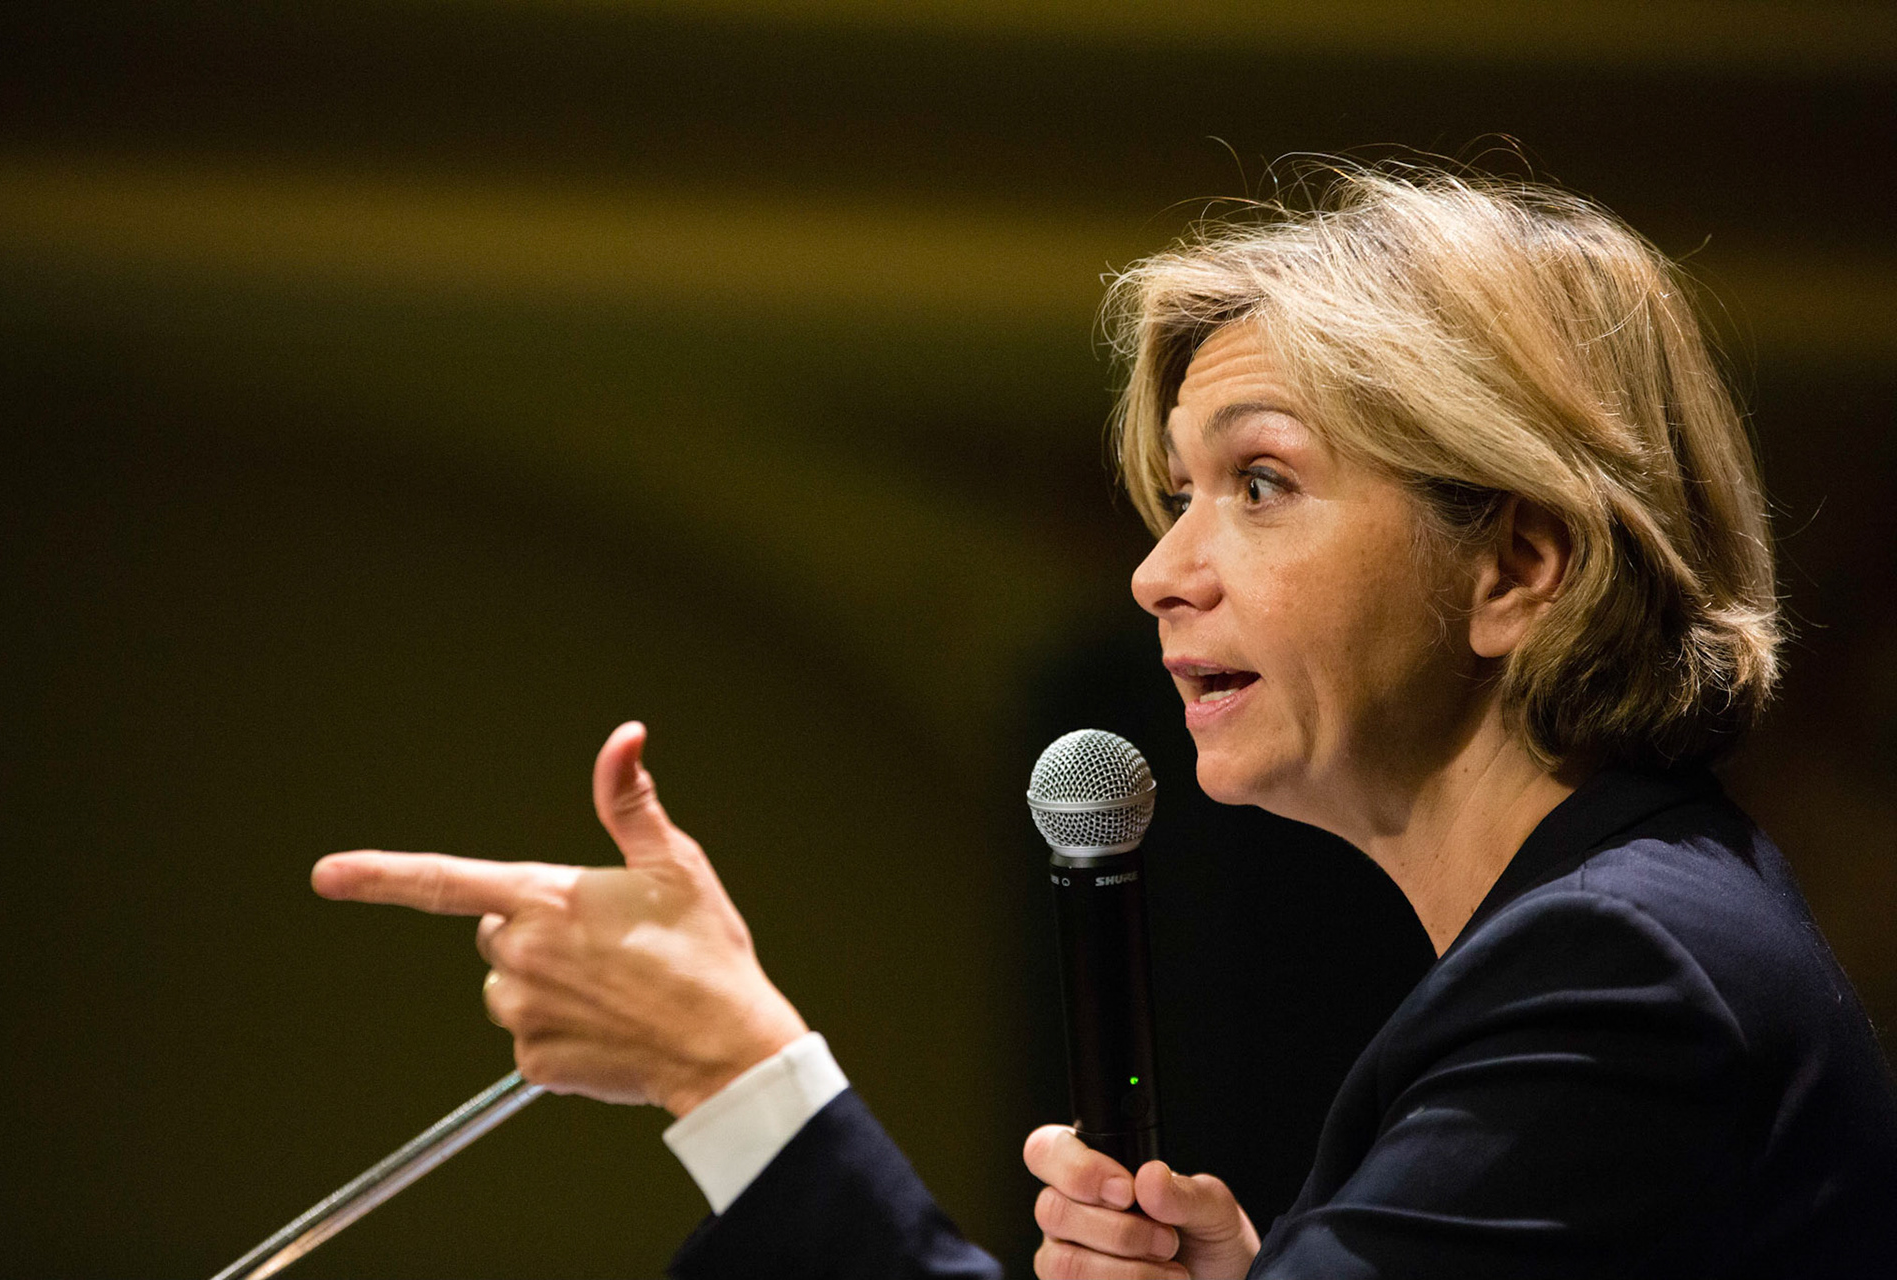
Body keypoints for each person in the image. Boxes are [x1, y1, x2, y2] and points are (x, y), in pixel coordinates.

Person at [311, 165, 1897, 1278]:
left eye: (1260, 483)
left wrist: (738, 1079)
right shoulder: (1638, 926)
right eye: (1173, 497)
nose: (1158, 573)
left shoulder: (1616, 976)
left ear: (1518, 566)